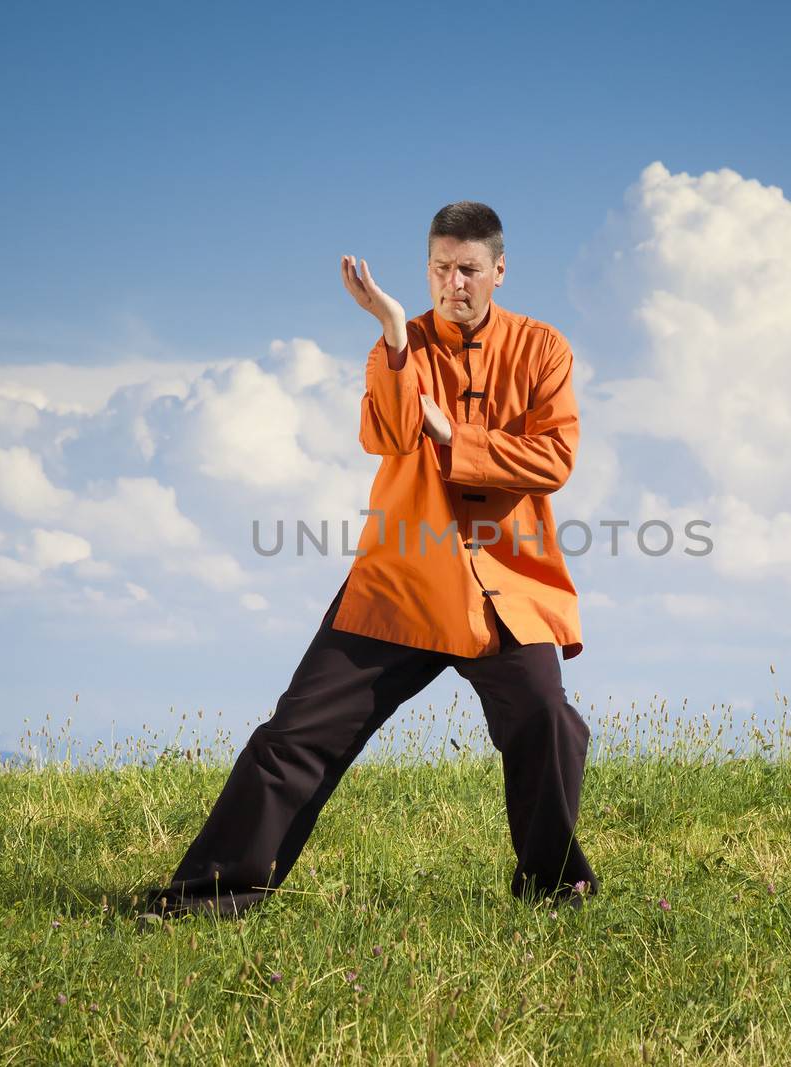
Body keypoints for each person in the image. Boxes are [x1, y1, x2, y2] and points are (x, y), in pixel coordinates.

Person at [140, 201, 599, 920]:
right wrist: (390, 333)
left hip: (505, 583)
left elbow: (554, 456)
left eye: (469, 269)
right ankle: (214, 892)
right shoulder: (401, 342)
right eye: (441, 268)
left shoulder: (544, 349)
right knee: (295, 735)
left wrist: (455, 434)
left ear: (499, 271)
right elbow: (385, 432)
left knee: (547, 716)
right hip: (403, 580)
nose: (454, 283)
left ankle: (552, 887)